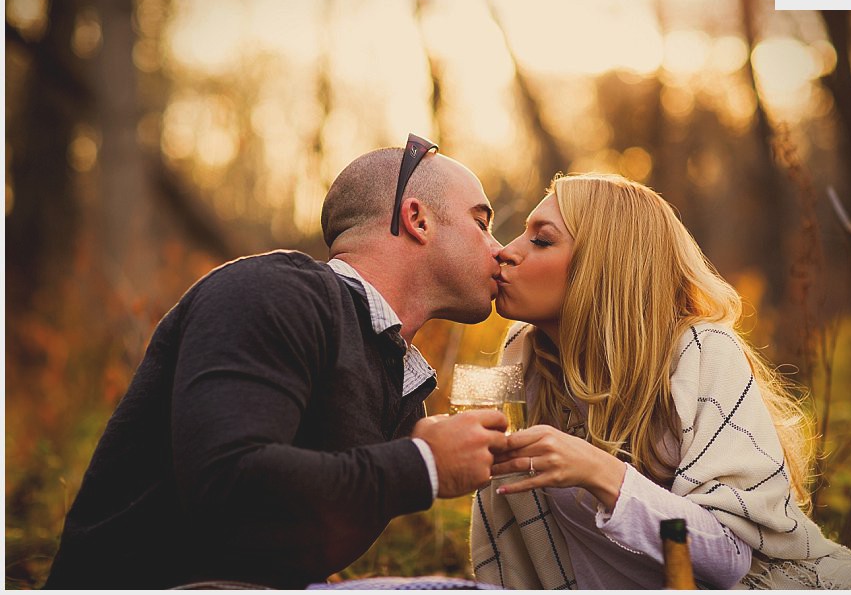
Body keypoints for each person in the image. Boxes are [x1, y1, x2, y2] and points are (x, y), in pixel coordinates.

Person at [44, 134, 509, 589]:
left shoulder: (400, 388)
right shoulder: (274, 293)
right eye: (482, 222)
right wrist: (424, 464)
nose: (500, 248)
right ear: (417, 220)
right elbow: (229, 483)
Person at [470, 173, 851, 590]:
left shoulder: (700, 351)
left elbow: (728, 556)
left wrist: (600, 472)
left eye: (542, 239)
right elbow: (489, 482)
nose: (507, 251)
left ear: (603, 266)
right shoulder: (524, 355)